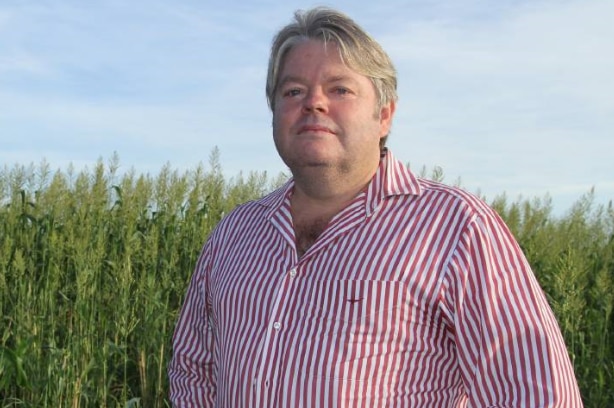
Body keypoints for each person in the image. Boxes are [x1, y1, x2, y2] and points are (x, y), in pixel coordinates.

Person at [168, 6, 583, 407]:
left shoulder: (457, 227)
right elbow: (194, 368)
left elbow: (538, 394)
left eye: (340, 89)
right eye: (293, 90)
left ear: (384, 115)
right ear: (274, 112)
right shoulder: (235, 233)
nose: (313, 102)